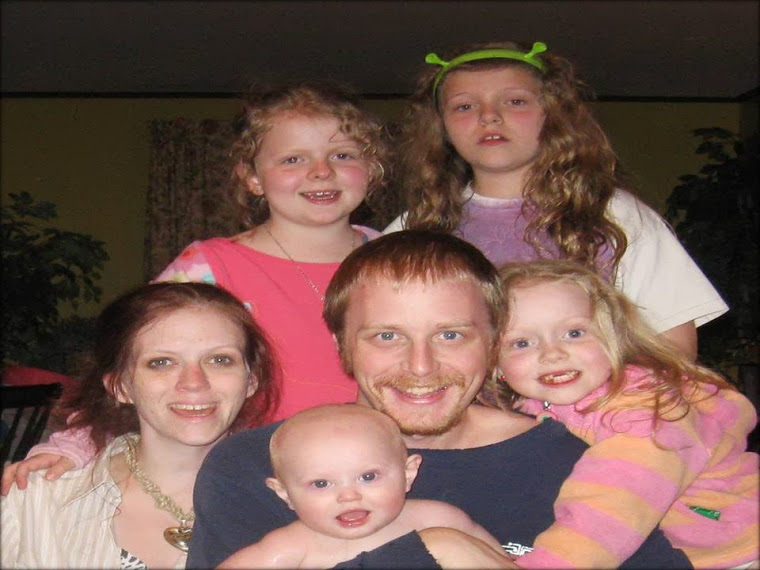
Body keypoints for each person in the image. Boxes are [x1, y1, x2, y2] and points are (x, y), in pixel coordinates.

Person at [187, 230, 691, 569]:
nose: (421, 366)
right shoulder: (255, 466)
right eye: (387, 336)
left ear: (493, 342)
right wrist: (437, 546)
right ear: (342, 344)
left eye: (451, 335)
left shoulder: (577, 463)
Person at [1, 81, 392, 487]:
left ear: (372, 167)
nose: (321, 171)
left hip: (375, 478)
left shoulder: (402, 262)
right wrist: (74, 444)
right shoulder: (209, 267)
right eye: (293, 159)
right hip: (254, 482)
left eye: (343, 155)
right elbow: (132, 365)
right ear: (252, 177)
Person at [384, 40, 727, 360]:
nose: (489, 116)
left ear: (552, 114)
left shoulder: (614, 214)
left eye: (515, 101)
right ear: (442, 126)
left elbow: (673, 346)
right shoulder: (415, 227)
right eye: (465, 106)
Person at [494, 259, 759, 568]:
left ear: (613, 339)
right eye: (522, 342)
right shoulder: (533, 408)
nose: (552, 353)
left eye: (574, 333)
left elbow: (610, 511)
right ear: (495, 365)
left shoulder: (648, 415)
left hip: (738, 550)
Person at [0, 282, 277, 569]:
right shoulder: (36, 500)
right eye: (162, 362)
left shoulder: (295, 506)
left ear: (251, 380)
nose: (194, 382)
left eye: (220, 360)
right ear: (121, 386)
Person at [218, 403, 506, 569]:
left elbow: (503, 563)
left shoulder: (440, 520)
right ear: (285, 494)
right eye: (321, 483)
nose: (348, 495)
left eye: (368, 477)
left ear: (408, 473)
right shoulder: (292, 546)